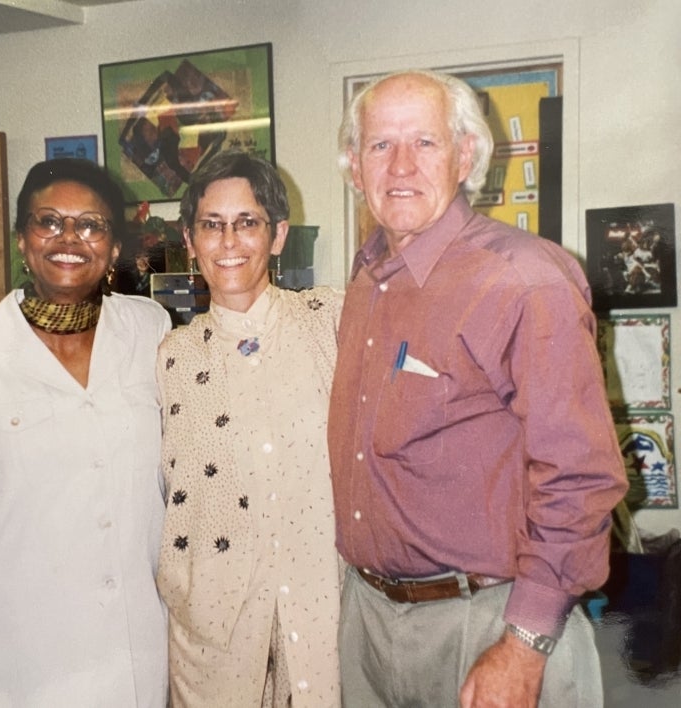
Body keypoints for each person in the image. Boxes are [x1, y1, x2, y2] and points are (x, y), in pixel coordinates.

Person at [329, 69, 628, 707]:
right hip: (370, 621)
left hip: (488, 622)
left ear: (466, 156)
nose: (401, 165)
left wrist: (524, 643)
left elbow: (581, 476)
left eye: (426, 143)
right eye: (381, 145)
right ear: (354, 166)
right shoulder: (366, 280)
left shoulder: (524, 278)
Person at [0, 159, 172, 707]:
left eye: (91, 224)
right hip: (14, 653)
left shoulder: (149, 329)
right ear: (23, 240)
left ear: (114, 247)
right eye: (49, 221)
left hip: (133, 645)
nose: (70, 238)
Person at [156, 150, 344, 707]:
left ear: (278, 234)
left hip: (321, 618)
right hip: (214, 638)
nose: (229, 241)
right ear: (190, 241)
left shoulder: (330, 321)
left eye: (247, 223)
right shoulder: (171, 357)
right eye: (211, 226)